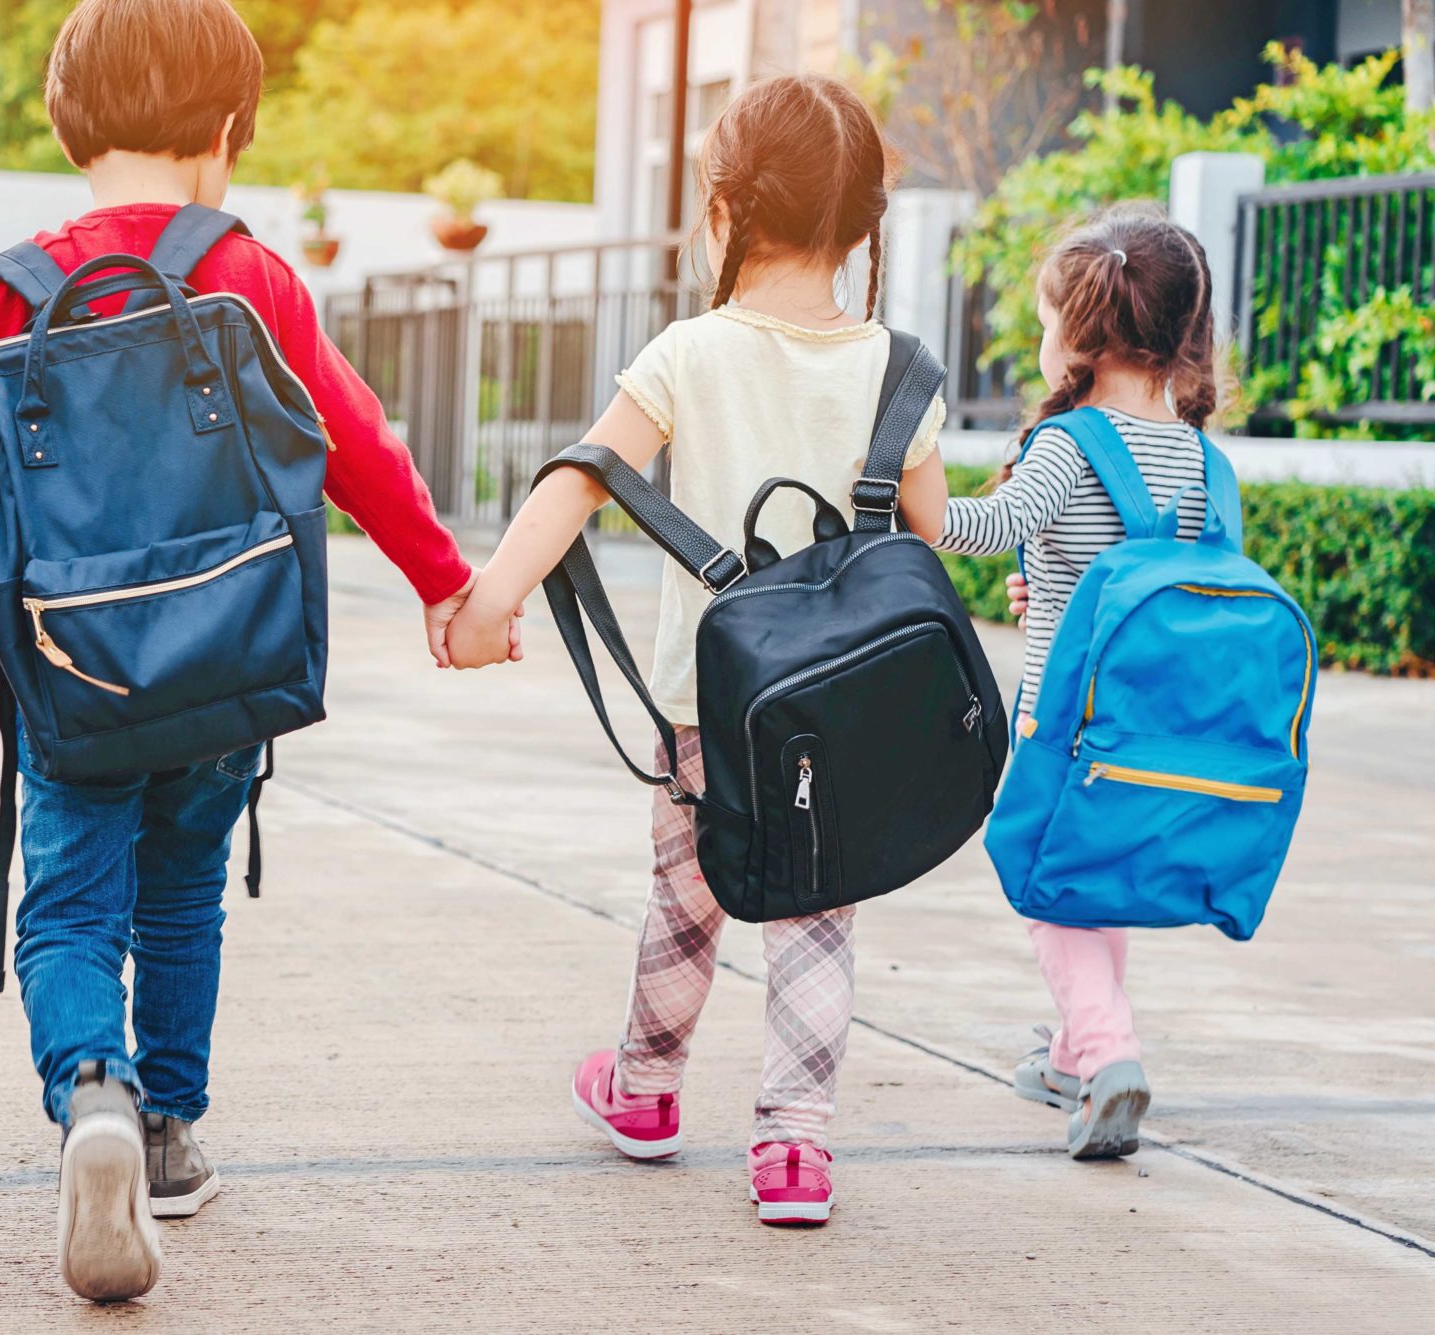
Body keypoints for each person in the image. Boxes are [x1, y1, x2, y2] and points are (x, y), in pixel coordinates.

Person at [0, 0, 477, 1300]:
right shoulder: (252, 275)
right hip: (229, 661)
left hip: (73, 667)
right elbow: (359, 443)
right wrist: (447, 582)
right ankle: (170, 1134)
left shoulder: (26, 280)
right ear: (228, 131)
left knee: (70, 902)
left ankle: (95, 1093)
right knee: (183, 889)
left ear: (69, 125)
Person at [446, 76, 947, 1226]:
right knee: (819, 913)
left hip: (707, 707)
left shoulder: (687, 351)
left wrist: (490, 601)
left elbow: (581, 475)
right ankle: (794, 1152)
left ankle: (647, 1092)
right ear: (867, 226)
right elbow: (932, 536)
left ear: (720, 212)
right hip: (849, 712)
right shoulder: (899, 371)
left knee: (687, 903)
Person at [932, 206, 1222, 1160]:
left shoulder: (1067, 445)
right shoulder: (1198, 455)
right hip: (1153, 722)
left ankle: (1107, 1051)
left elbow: (977, 529)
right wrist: (1049, 579)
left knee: (1047, 883)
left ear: (1080, 332)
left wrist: (908, 476)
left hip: (1062, 719)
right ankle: (1069, 1051)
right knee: (1097, 878)